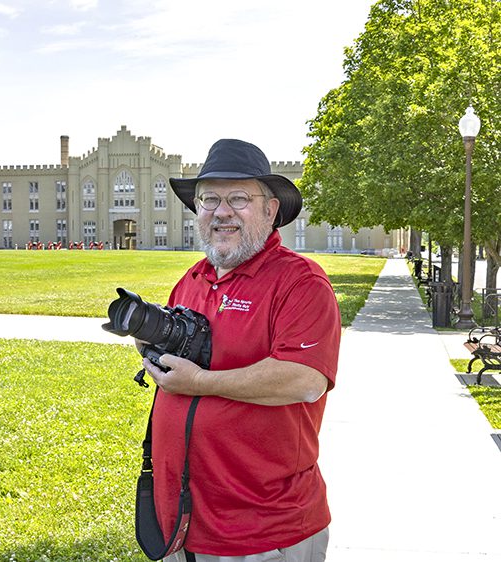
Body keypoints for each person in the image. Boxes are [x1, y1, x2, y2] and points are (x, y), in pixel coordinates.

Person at [142, 139, 341, 561]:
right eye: (209, 199)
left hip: (265, 530)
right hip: (182, 524)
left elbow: (305, 379)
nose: (221, 211)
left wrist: (201, 383)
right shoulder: (191, 280)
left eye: (238, 198)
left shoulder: (300, 281)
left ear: (271, 211)